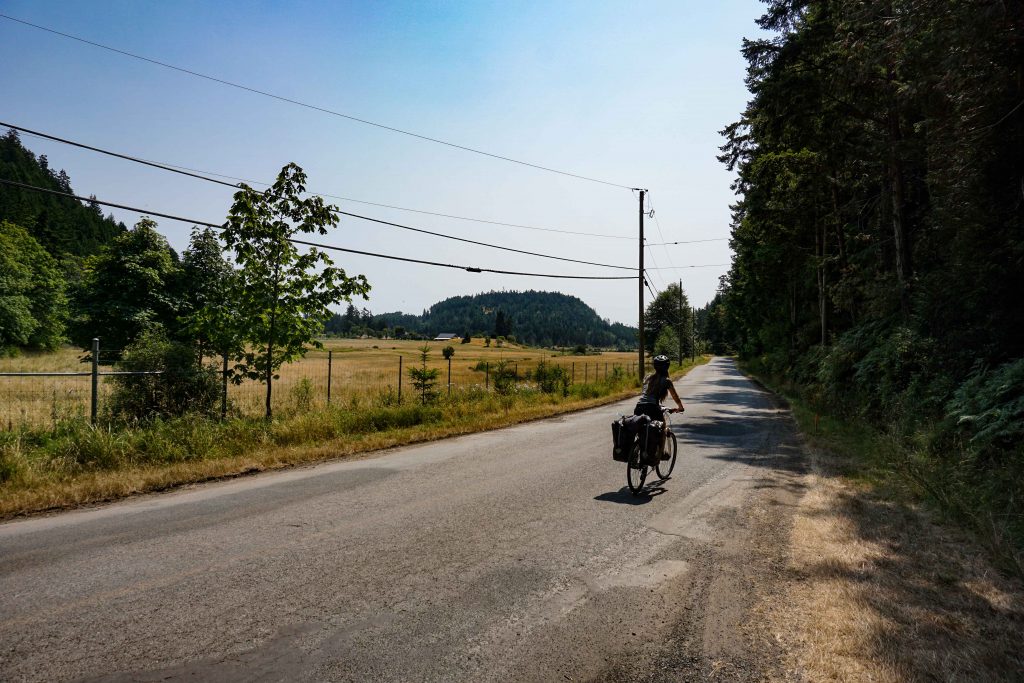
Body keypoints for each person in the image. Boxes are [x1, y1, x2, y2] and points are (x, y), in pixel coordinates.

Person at [634, 355, 685, 456]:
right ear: (667, 367)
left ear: (655, 366)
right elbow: (675, 396)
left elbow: (646, 395)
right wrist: (680, 407)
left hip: (639, 407)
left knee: (642, 431)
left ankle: (637, 452)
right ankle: (661, 453)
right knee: (662, 429)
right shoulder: (666, 381)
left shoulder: (647, 377)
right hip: (653, 409)